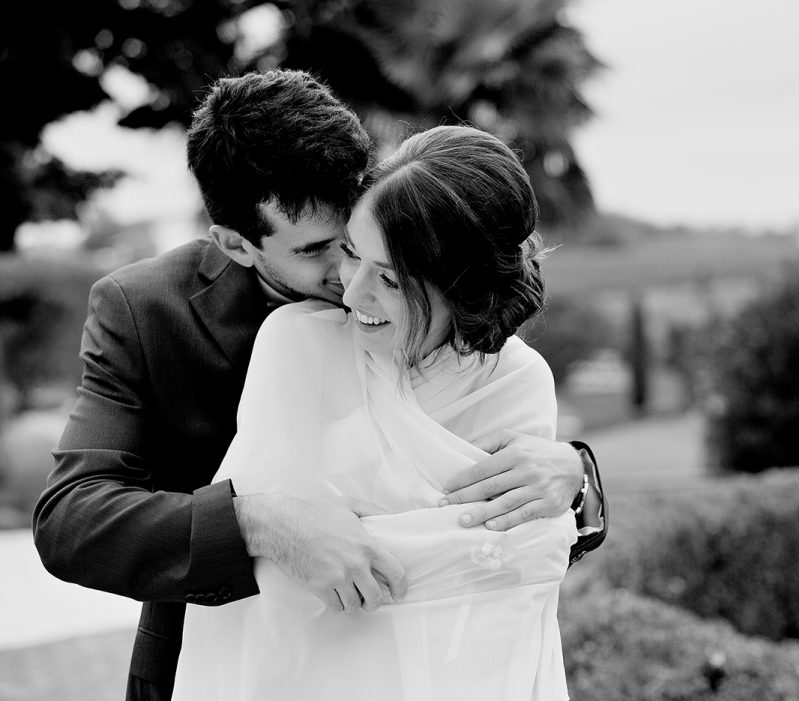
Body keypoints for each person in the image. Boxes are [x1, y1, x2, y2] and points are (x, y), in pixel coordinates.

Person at [32, 70, 604, 701]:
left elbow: (485, 418)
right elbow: (71, 522)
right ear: (236, 243)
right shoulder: (145, 311)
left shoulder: (413, 269)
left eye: (357, 238)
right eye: (318, 250)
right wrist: (259, 521)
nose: (348, 275)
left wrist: (576, 478)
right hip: (213, 663)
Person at [173, 123, 579, 701]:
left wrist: (571, 487)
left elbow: (513, 585)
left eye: (388, 279)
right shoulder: (296, 343)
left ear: (462, 289)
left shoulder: (519, 382)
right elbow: (278, 581)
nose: (352, 292)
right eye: (351, 254)